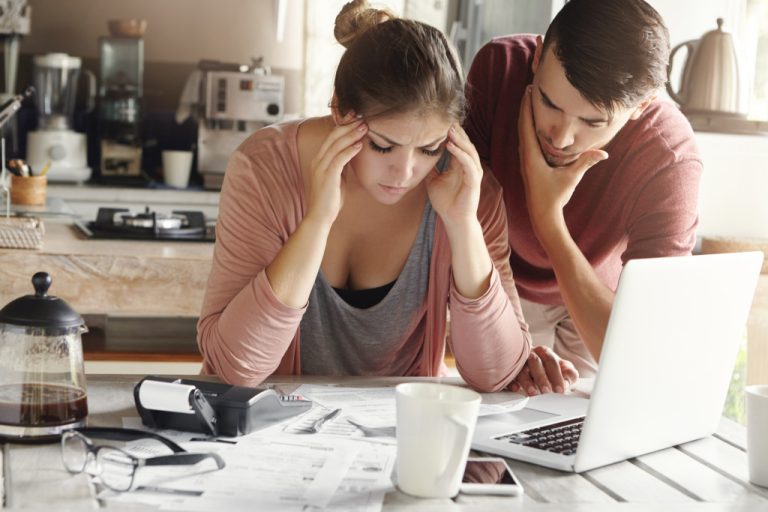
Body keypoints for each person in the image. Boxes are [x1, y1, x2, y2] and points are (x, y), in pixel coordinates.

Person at [197, 0, 532, 392]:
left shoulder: (467, 189)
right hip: (270, 438)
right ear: (340, 109)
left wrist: (463, 226)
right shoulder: (263, 168)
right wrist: (316, 221)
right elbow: (236, 368)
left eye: (429, 149)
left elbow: (496, 373)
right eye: (382, 146)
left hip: (399, 436)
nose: (405, 173)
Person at [464, 0, 702, 395]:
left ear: (641, 106)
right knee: (501, 407)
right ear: (538, 57)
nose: (560, 138)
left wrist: (548, 222)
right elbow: (463, 224)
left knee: (589, 418)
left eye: (592, 122)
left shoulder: (670, 158)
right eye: (548, 102)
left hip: (598, 297)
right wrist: (512, 341)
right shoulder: (498, 70)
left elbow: (642, 356)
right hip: (501, 280)